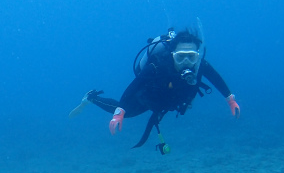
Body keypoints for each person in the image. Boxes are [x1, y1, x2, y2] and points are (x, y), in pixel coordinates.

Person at [70, 25, 240, 153]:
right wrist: (119, 113)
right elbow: (134, 85)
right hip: (149, 98)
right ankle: (91, 97)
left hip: (172, 100)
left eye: (191, 57)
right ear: (172, 54)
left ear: (197, 56)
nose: (186, 62)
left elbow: (216, 78)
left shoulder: (199, 65)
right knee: (128, 113)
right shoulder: (158, 65)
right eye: (180, 57)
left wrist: (230, 99)